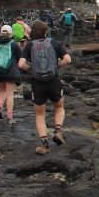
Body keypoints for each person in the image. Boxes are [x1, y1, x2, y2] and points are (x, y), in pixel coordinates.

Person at [19, 20, 72, 155]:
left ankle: (45, 145)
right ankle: (58, 130)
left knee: (40, 115)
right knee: (59, 107)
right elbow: (67, 59)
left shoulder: (30, 46)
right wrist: (56, 66)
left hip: (38, 84)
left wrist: (31, 70)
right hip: (53, 81)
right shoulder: (53, 42)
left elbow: (21, 64)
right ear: (45, 31)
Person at [0, 24, 23, 125]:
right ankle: (9, 117)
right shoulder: (14, 44)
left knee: (2, 90)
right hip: (11, 72)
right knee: (10, 94)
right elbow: (20, 58)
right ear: (11, 33)